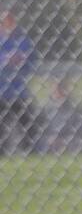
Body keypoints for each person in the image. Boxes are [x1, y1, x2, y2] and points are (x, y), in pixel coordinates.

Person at [0, 10, 39, 154]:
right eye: (4, 21)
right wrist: (5, 61)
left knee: (28, 125)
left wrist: (21, 59)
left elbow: (31, 60)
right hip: (1, 92)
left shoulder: (22, 40)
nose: (8, 24)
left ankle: (31, 153)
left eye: (10, 20)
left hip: (18, 92)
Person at [36, 79, 82, 154]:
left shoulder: (78, 109)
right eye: (56, 88)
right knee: (41, 142)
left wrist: (64, 141)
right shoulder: (46, 109)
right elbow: (41, 131)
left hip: (70, 141)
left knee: (78, 143)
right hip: (51, 142)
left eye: (62, 88)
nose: (59, 91)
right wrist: (51, 139)